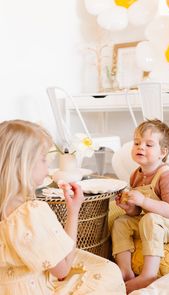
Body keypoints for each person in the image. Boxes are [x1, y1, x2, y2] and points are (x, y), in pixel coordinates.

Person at [0, 119, 126, 295]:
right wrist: (73, 211)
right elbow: (62, 270)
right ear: (23, 166)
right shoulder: (31, 213)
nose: (47, 169)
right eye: (44, 160)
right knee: (109, 272)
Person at [111, 119, 169, 294]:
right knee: (121, 222)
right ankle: (126, 271)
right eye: (136, 143)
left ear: (162, 152)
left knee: (150, 219)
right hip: (155, 220)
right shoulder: (136, 174)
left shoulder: (167, 176)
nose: (140, 147)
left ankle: (148, 275)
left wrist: (143, 201)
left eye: (149, 145)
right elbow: (138, 212)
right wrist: (129, 207)